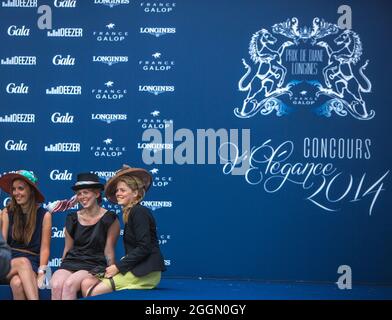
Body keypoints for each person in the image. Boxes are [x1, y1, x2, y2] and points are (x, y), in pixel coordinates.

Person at [81, 165, 166, 297]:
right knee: (87, 283)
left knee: (93, 292)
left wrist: (118, 267)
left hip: (146, 272)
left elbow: (144, 247)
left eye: (123, 190)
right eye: (117, 190)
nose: (118, 193)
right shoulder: (131, 212)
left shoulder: (139, 212)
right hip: (137, 267)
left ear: (135, 193)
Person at [50, 173, 120, 300]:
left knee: (69, 285)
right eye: (79, 193)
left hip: (93, 264)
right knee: (56, 284)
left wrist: (111, 273)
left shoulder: (110, 218)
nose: (82, 197)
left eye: (86, 192)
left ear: (97, 194)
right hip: (71, 262)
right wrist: (62, 266)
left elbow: (109, 251)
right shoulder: (72, 218)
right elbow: (67, 248)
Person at [0, 170, 52, 300]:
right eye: (14, 189)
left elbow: (45, 249)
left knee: (17, 284)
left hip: (33, 263)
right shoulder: (6, 213)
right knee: (23, 262)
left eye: (21, 189)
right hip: (8, 264)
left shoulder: (45, 215)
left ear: (31, 191)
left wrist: (41, 272)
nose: (16, 193)